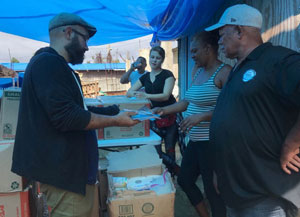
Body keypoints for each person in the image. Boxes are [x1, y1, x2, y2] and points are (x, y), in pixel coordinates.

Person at [11, 13, 139, 217]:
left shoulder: (57, 66)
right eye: (85, 38)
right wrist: (116, 120)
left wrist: (114, 110)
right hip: (65, 178)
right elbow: (68, 116)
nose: (87, 47)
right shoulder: (48, 64)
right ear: (68, 32)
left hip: (70, 174)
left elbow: (78, 108)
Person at [205, 4, 300, 217]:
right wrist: (219, 172)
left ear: (239, 31)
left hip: (265, 195)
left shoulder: (276, 60)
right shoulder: (238, 69)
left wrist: (292, 143)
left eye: (222, 34)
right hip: (235, 192)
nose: (219, 41)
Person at [153, 31, 231, 217]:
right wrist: (163, 110)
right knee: (185, 181)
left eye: (195, 51)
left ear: (208, 48)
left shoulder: (225, 73)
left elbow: (231, 110)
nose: (192, 55)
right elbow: (186, 102)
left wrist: (202, 117)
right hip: (195, 142)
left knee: (213, 192)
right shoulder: (198, 71)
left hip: (211, 143)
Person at [126, 46, 180, 175]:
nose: (154, 60)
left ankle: (171, 177)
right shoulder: (145, 77)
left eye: (158, 58)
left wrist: (146, 95)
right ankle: (176, 169)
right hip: (154, 116)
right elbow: (129, 92)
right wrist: (138, 93)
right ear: (149, 58)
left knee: (170, 148)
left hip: (169, 115)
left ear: (162, 60)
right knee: (155, 150)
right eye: (152, 57)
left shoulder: (168, 75)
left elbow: (166, 95)